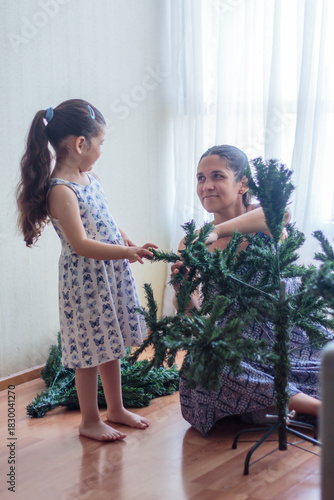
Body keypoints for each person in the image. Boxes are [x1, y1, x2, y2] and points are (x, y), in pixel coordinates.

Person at [17, 99, 157, 442]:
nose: (101, 150)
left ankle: (116, 408)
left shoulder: (89, 177)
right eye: (101, 143)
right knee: (89, 353)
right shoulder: (61, 191)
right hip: (85, 282)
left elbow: (104, 220)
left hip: (108, 274)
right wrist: (126, 251)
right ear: (81, 143)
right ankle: (89, 420)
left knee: (111, 344)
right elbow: (80, 244)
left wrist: (125, 239)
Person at [172, 144, 329, 436]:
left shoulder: (263, 214)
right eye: (200, 178)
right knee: (205, 362)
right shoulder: (191, 241)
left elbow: (280, 215)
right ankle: (320, 410)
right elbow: (189, 313)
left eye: (217, 176)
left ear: (243, 183)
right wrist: (183, 290)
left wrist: (217, 232)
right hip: (235, 333)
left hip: (288, 326)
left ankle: (275, 406)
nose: (206, 186)